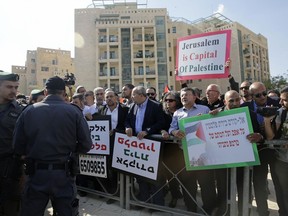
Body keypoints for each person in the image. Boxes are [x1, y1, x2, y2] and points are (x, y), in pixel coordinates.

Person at [13, 76, 92, 216]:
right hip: (64, 175)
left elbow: (17, 146)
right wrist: (70, 150)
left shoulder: (29, 111)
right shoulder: (74, 112)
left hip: (36, 174)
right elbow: (86, 145)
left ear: (45, 92)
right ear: (63, 93)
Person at [169, 87, 217, 214]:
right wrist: (175, 131)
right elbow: (171, 128)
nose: (184, 97)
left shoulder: (204, 109)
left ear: (194, 96)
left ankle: (208, 209)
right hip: (184, 154)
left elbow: (212, 127)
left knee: (206, 183)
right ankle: (191, 209)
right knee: (188, 184)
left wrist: (205, 120)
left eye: (187, 95)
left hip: (202, 153)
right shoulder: (177, 113)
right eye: (182, 96)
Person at [241, 81, 280, 216]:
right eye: (258, 95)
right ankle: (263, 211)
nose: (263, 97)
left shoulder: (276, 104)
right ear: (251, 96)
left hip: (276, 151)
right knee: (259, 183)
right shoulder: (244, 107)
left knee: (279, 183)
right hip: (256, 152)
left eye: (264, 93)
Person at [125, 86, 165, 206]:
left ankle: (157, 205)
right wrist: (128, 127)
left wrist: (147, 131)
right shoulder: (132, 106)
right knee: (140, 176)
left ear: (141, 95)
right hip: (137, 146)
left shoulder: (155, 106)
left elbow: (161, 122)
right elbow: (127, 120)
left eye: (133, 95)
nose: (131, 97)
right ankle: (143, 201)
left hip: (151, 146)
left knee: (153, 176)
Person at [99, 90, 129, 204]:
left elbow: (127, 123)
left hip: (120, 142)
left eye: (111, 96)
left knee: (121, 169)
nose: (109, 99)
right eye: (107, 97)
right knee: (109, 169)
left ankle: (125, 193)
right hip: (106, 144)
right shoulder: (102, 110)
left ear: (116, 98)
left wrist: (115, 131)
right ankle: (113, 193)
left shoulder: (125, 110)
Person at [0, 71, 23, 216]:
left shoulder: (21, 111)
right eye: (9, 87)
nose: (14, 91)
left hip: (10, 171)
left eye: (16, 87)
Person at [264, 86, 288, 216]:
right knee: (284, 192)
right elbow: (271, 137)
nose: (280, 103)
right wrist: (267, 121)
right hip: (282, 161)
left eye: (284, 100)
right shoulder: (281, 113)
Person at [161, 91, 183, 208]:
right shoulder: (163, 113)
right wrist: (162, 131)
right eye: (166, 100)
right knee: (170, 174)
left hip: (182, 149)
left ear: (177, 101)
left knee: (184, 175)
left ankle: (187, 196)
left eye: (171, 100)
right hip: (168, 149)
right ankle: (174, 195)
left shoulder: (182, 112)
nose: (168, 103)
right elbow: (160, 126)